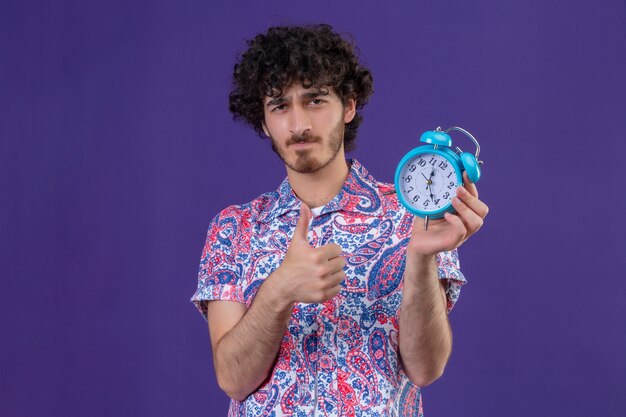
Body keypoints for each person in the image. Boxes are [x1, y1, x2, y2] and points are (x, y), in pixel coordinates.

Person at [190, 24, 489, 417]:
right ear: (263, 121)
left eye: (315, 100)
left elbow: (425, 369)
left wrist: (420, 259)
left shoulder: (413, 214)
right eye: (280, 106)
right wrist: (279, 290)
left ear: (348, 105)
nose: (298, 125)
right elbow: (233, 379)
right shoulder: (233, 229)